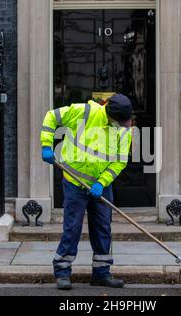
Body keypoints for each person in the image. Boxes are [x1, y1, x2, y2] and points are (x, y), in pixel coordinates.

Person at [40, 94, 133, 290]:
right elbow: (51, 116)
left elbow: (120, 161)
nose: (125, 125)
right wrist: (47, 144)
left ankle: (101, 273)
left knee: (102, 228)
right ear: (110, 115)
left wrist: (102, 182)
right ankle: (62, 271)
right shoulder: (84, 112)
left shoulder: (124, 130)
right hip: (74, 181)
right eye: (121, 121)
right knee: (72, 227)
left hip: (101, 186)